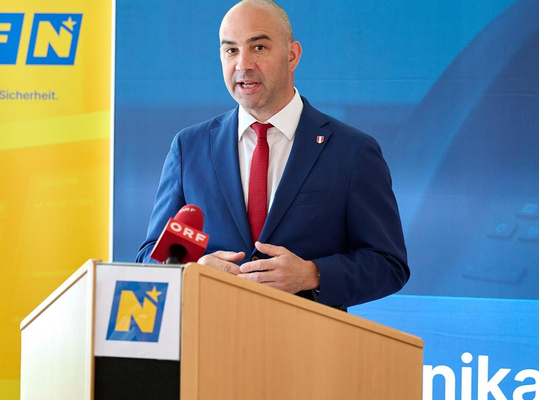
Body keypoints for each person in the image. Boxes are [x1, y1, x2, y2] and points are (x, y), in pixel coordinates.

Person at [136, 0, 409, 310]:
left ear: (292, 55)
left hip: (310, 336)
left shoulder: (352, 150)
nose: (243, 64)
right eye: (231, 50)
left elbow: (388, 264)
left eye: (259, 48)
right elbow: (149, 257)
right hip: (210, 331)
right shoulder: (189, 148)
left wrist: (312, 274)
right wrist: (192, 271)